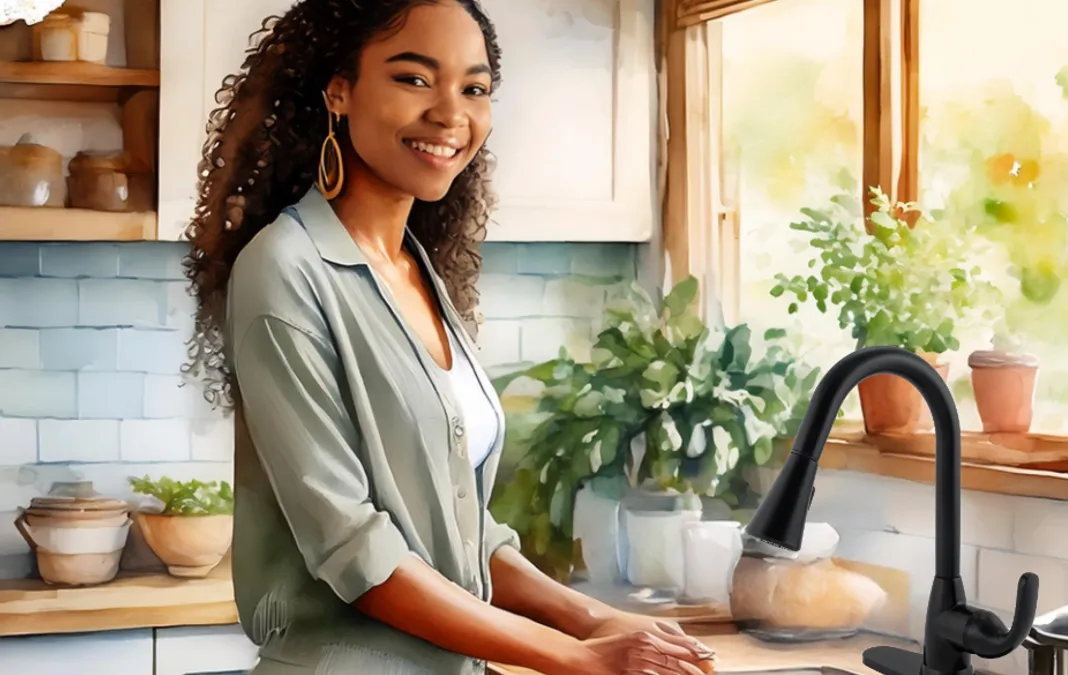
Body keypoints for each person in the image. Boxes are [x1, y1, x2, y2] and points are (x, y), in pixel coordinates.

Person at [180, 1, 718, 674]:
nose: (451, 113)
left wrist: (596, 619)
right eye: (413, 78)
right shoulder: (285, 268)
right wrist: (580, 657)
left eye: (474, 88)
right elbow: (355, 548)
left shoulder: (417, 271)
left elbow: (464, 534)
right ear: (338, 90)